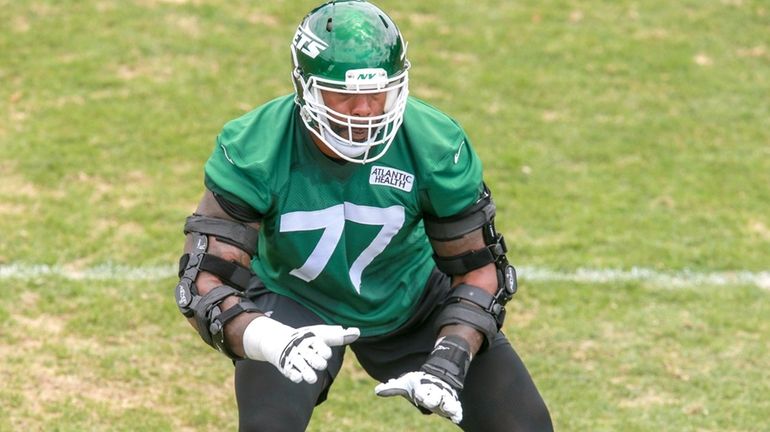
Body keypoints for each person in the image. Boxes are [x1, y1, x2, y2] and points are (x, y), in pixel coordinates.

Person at [174, 1, 553, 430]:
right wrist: (269, 337)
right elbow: (203, 281)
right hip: (293, 300)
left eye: (379, 92)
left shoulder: (433, 143)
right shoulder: (256, 148)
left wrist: (451, 355)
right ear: (306, 89)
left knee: (526, 425)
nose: (365, 110)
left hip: (410, 299)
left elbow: (480, 271)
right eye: (346, 94)